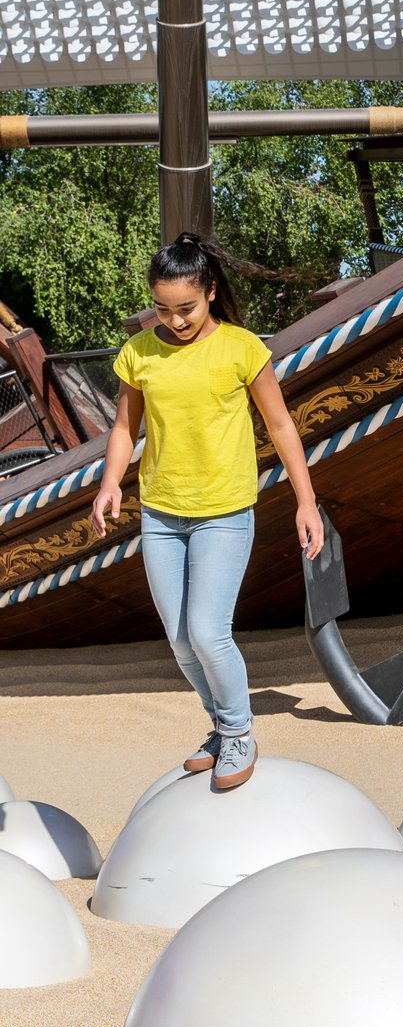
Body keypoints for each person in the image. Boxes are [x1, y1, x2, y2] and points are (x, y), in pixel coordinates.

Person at [91, 233, 324, 790]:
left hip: (224, 510)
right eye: (163, 308)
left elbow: (281, 426)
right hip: (162, 514)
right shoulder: (139, 352)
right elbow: (125, 428)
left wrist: (306, 500)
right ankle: (221, 725)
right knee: (178, 638)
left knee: (207, 630)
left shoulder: (244, 348)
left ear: (211, 292)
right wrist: (109, 484)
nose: (175, 320)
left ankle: (240, 730)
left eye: (186, 308)